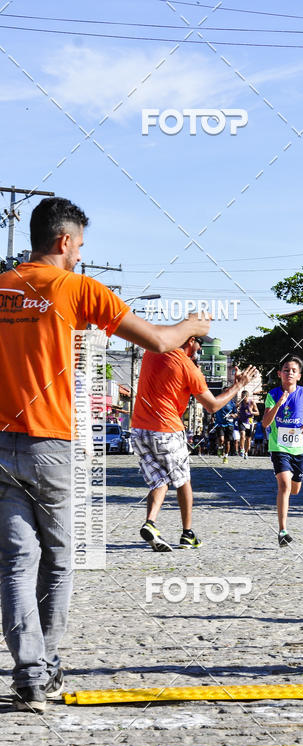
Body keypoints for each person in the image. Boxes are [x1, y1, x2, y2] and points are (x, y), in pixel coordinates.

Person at [0, 197, 211, 712]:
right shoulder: (77, 288)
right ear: (64, 241)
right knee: (59, 560)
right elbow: (160, 341)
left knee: (15, 563)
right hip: (52, 444)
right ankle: (45, 668)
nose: (79, 255)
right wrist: (190, 326)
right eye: (79, 246)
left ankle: (29, 675)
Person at [132, 342, 257, 552]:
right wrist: (238, 386)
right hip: (167, 429)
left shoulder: (152, 350)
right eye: (199, 346)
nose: (199, 351)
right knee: (183, 481)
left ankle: (150, 523)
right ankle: (187, 534)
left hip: (139, 429)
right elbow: (212, 405)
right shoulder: (187, 366)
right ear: (191, 341)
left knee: (159, 479)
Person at [262, 355, 303, 546]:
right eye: (286, 370)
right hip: (279, 446)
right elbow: (265, 422)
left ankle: (283, 526)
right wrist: (279, 403)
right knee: (284, 485)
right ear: (279, 374)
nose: (289, 373)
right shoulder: (273, 394)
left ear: (299, 375)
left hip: (300, 447)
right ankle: (282, 530)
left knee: (294, 489)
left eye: (293, 370)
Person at [214, 397, 237, 462]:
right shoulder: (218, 401)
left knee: (227, 442)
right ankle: (220, 447)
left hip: (229, 424)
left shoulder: (232, 403)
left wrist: (232, 415)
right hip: (220, 424)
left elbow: (236, 414)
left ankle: (226, 456)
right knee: (221, 439)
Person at [238, 390, 259, 459]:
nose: (242, 398)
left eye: (243, 397)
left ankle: (246, 452)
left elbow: (257, 413)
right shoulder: (240, 403)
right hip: (241, 421)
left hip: (249, 422)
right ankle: (242, 449)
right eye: (241, 396)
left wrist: (252, 412)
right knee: (242, 435)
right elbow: (235, 409)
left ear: (247, 396)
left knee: (248, 439)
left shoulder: (252, 402)